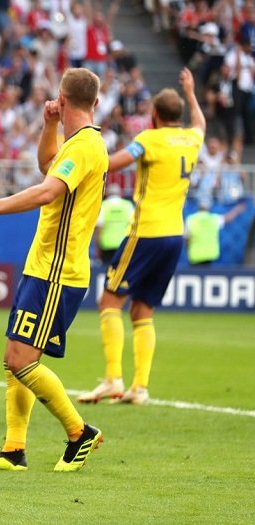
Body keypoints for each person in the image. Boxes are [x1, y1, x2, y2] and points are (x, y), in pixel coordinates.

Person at [0, 67, 107, 473]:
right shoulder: (78, 143)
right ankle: (13, 450)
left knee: (21, 359)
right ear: (96, 101)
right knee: (12, 357)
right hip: (43, 267)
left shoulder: (86, 146)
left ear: (62, 95)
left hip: (59, 271)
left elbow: (47, 191)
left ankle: (79, 433)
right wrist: (49, 126)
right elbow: (46, 167)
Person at [78, 68, 206, 405]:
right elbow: (201, 124)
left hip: (146, 232)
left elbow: (114, 162)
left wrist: (87, 157)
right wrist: (191, 92)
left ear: (154, 116)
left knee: (109, 301)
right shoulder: (192, 139)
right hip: (174, 236)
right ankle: (140, 388)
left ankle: (112, 379)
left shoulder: (149, 139)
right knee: (142, 311)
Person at [185, 198, 247, 266]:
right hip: (210, 254)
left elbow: (187, 238)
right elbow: (228, 218)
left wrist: (188, 248)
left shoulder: (190, 219)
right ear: (208, 208)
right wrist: (237, 209)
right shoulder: (213, 219)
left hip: (195, 255)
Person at [95, 183, 134, 265]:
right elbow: (133, 226)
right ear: (120, 194)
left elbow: (99, 228)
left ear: (107, 194)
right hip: (123, 244)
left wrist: (97, 248)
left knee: (107, 270)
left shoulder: (103, 206)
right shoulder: (127, 205)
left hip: (106, 245)